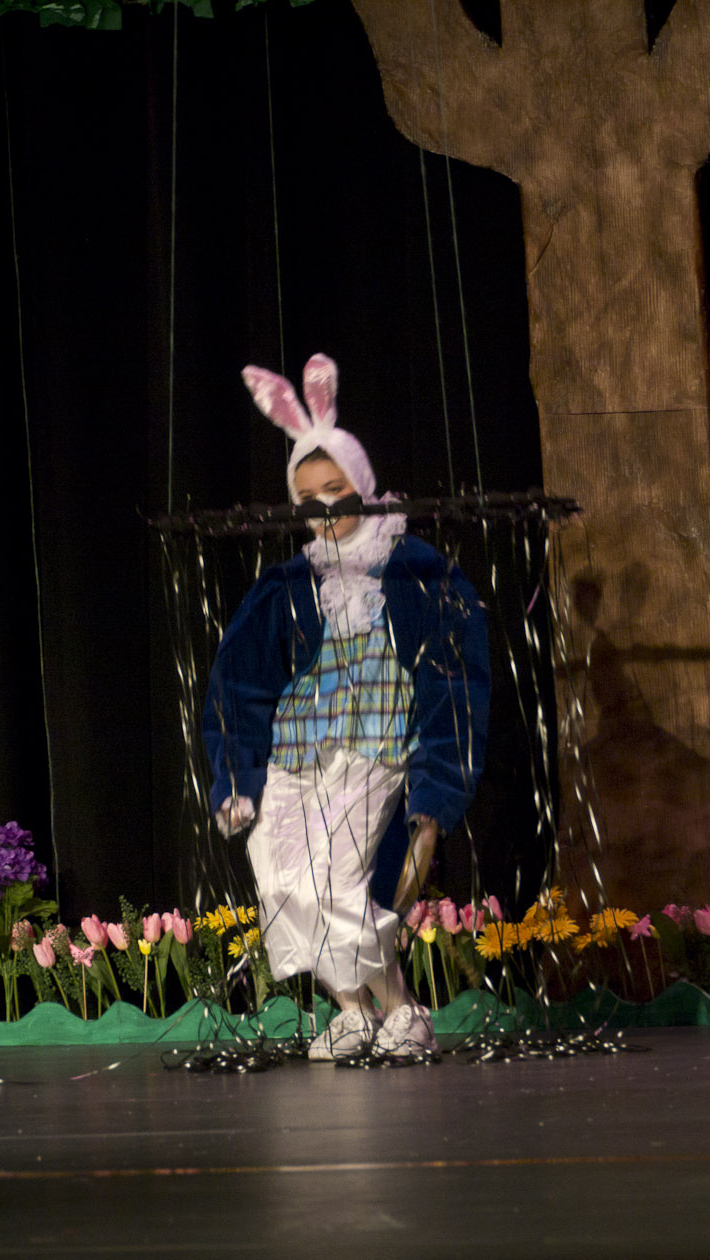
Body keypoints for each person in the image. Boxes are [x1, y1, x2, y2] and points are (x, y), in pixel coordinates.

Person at [203, 353, 489, 1059]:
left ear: (361, 484)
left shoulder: (416, 572)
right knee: (280, 874)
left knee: (337, 880)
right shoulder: (288, 585)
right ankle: (355, 1012)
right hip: (298, 749)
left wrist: (435, 797)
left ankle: (402, 1009)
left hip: (374, 746)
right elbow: (238, 681)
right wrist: (237, 776)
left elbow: (455, 681)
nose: (325, 510)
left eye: (336, 491)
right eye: (308, 499)